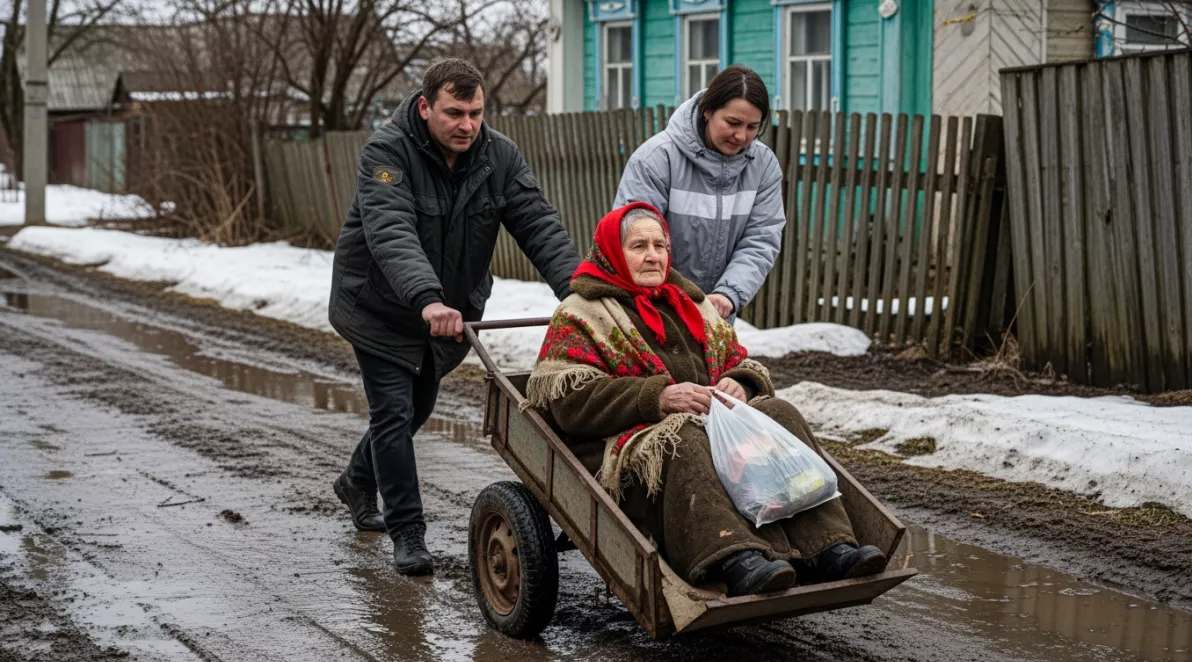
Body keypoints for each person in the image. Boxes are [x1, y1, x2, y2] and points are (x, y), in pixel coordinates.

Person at [525, 203, 885, 596]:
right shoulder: (580, 313)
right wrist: (656, 397)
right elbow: (568, 399)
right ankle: (736, 558)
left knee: (780, 413)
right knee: (682, 436)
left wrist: (740, 383)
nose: (653, 255)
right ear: (612, 252)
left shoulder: (689, 302)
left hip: (714, 426)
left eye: (660, 245)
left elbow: (738, 360)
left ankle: (831, 547)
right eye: (639, 246)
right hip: (630, 446)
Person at [327, 59, 581, 576]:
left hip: (449, 311)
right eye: (454, 113)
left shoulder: (499, 156)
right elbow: (391, 229)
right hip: (380, 306)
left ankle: (357, 479)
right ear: (425, 107)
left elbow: (539, 225)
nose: (466, 125)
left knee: (415, 411)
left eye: (476, 113)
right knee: (394, 415)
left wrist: (579, 293)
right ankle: (407, 530)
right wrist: (426, 297)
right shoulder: (387, 150)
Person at [613, 65, 785, 321]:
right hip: (652, 310)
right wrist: (671, 300)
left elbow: (760, 239)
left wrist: (727, 294)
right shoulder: (656, 160)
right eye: (733, 123)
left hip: (717, 314)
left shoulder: (763, 166)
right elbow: (634, 241)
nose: (741, 136)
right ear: (708, 111)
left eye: (752, 127)